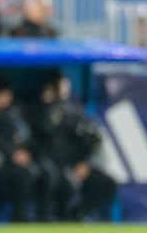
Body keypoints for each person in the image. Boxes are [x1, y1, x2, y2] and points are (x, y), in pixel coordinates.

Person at [28, 76, 116, 221]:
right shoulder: (40, 113)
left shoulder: (74, 114)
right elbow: (44, 133)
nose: (63, 92)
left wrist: (85, 162)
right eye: (58, 88)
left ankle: (78, 213)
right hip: (52, 166)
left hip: (76, 166)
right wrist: (47, 105)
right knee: (58, 181)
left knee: (107, 184)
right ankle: (54, 218)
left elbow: (91, 139)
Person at [0, 80, 51, 222]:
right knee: (19, 174)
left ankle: (42, 218)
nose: (5, 98)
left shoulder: (16, 112)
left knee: (45, 172)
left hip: (18, 162)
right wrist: (10, 155)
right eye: (1, 94)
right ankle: (16, 217)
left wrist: (26, 153)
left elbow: (29, 138)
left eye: (7, 94)